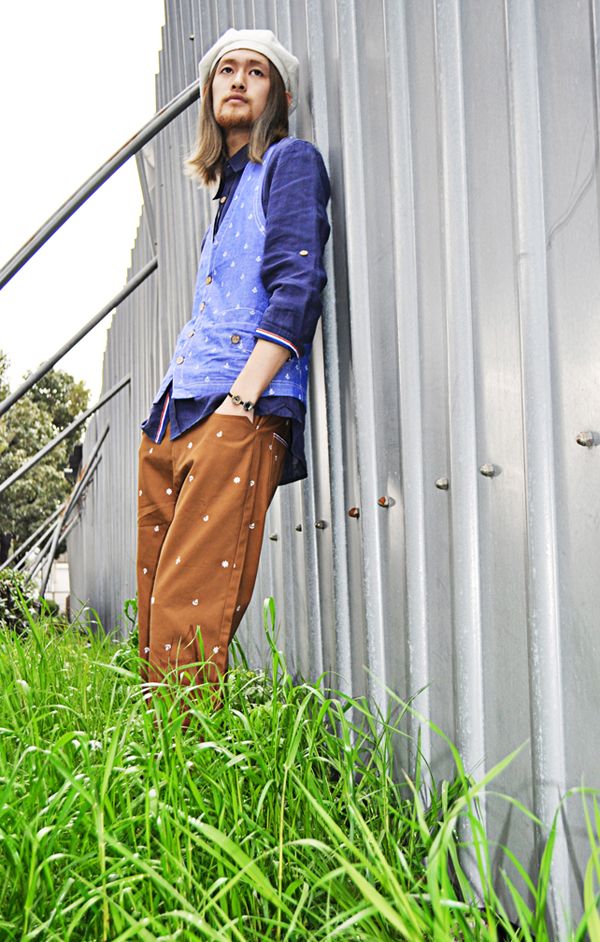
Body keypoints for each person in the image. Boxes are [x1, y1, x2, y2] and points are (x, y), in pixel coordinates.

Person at [136, 28, 331, 727]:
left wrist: (243, 400)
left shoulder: (289, 163)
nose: (239, 80)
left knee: (189, 610)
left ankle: (182, 772)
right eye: (226, 70)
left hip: (234, 410)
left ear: (280, 95)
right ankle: (151, 765)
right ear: (208, 91)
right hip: (172, 415)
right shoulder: (224, 197)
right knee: (154, 607)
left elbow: (298, 284)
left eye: (257, 71)